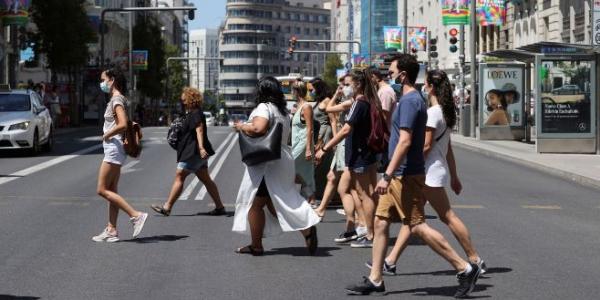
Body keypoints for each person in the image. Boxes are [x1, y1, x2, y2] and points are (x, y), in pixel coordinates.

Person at [345, 54, 480, 297]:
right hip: (400, 171)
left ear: (403, 74)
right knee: (380, 221)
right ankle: (376, 278)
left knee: (416, 226)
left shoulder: (409, 101)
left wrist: (387, 175)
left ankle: (464, 267)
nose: (389, 76)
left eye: (392, 71)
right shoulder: (412, 99)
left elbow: (405, 141)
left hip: (404, 173)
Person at [367, 69, 487, 278]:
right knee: (413, 219)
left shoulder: (432, 113)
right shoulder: (446, 112)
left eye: (426, 84)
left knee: (441, 217)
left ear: (430, 87)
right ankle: (390, 261)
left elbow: (426, 146)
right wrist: (454, 176)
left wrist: (408, 166)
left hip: (426, 171)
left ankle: (474, 259)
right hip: (434, 169)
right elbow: (448, 148)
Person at [232, 76, 320, 256]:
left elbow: (259, 128)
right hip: (281, 158)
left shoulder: (263, 108)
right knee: (277, 202)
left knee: (254, 205)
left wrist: (242, 126)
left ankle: (256, 246)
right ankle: (307, 230)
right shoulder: (283, 110)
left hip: (266, 163)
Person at [316, 69, 381, 249]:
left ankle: (370, 233)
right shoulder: (361, 101)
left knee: (364, 194)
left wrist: (325, 148)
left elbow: (346, 130)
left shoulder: (359, 103)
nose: (344, 88)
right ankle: (361, 228)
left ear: (358, 84)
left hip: (360, 154)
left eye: (347, 84)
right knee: (352, 189)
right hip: (361, 153)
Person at [151, 87, 226, 217]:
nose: (182, 100)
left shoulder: (196, 113)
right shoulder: (191, 113)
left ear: (190, 99)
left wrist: (201, 148)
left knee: (180, 175)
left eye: (184, 98)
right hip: (195, 152)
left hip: (194, 152)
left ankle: (167, 207)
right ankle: (220, 207)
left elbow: (199, 130)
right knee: (206, 179)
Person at [92, 69, 148, 242]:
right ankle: (111, 229)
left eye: (103, 80)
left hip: (114, 149)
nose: (101, 83)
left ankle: (135, 215)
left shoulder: (116, 99)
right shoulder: (118, 98)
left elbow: (123, 124)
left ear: (112, 80)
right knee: (112, 190)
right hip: (116, 149)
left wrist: (107, 135)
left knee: (101, 189)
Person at [291, 80, 317, 205]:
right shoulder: (298, 107)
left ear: (296, 91)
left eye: (292, 90)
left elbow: (310, 128)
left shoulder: (306, 107)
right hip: (297, 143)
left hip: (303, 144)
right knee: (297, 172)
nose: (291, 93)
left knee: (290, 168)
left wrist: (308, 148)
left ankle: (310, 196)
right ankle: (308, 197)